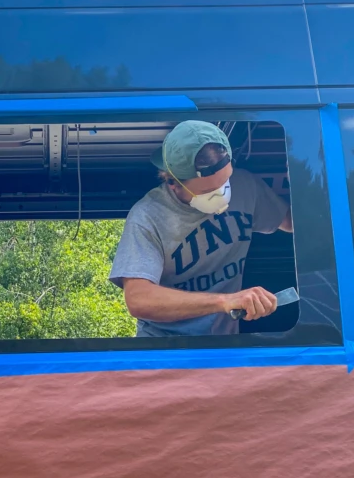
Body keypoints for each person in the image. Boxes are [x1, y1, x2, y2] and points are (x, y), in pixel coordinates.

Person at [109, 120, 293, 337]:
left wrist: (303, 179)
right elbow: (139, 299)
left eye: (225, 183)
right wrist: (225, 301)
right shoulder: (147, 217)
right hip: (166, 348)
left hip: (224, 344)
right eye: (208, 191)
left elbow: (293, 223)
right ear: (173, 182)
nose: (223, 194)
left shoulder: (245, 185)